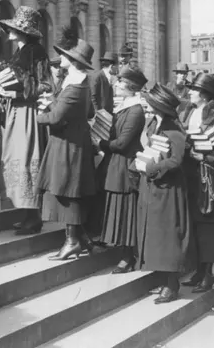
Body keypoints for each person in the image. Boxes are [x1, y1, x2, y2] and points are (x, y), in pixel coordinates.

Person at [36, 29, 96, 260]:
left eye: (63, 55)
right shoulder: (81, 84)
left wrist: (35, 116)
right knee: (70, 190)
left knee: (66, 190)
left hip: (66, 146)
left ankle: (71, 241)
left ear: (72, 61)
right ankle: (81, 238)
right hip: (75, 143)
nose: (60, 58)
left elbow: (55, 118)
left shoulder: (73, 86)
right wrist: (56, 102)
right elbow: (88, 111)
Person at [0, 6, 52, 234]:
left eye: (14, 28)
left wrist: (16, 94)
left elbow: (44, 84)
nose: (10, 31)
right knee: (16, 159)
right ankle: (26, 212)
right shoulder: (22, 51)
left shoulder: (35, 51)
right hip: (16, 112)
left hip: (26, 113)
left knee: (27, 158)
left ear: (23, 32)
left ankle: (33, 215)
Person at [135, 83, 193, 304]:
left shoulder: (174, 131)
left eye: (151, 107)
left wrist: (151, 169)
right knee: (156, 235)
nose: (148, 110)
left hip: (169, 190)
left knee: (169, 237)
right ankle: (163, 279)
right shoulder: (154, 126)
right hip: (153, 188)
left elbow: (176, 161)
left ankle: (172, 285)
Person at [180, 73, 214, 293]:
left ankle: (208, 274)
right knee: (193, 224)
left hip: (208, 175)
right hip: (189, 173)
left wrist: (208, 157)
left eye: (194, 90)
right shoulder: (188, 111)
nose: (190, 92)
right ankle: (198, 271)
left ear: (204, 94)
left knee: (208, 225)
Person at [95, 66, 147, 273]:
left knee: (125, 210)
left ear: (130, 86)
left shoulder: (135, 110)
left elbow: (123, 143)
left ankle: (128, 257)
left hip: (125, 165)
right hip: (116, 163)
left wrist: (101, 143)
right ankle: (121, 250)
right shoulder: (125, 107)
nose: (116, 84)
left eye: (120, 82)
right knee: (116, 206)